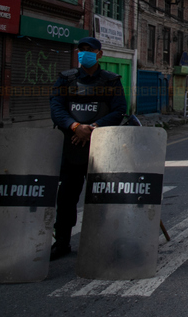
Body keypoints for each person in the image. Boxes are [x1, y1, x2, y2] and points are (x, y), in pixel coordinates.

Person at [49, 36, 127, 260]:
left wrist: (93, 128)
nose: (84, 53)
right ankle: (62, 242)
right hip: (72, 147)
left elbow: (119, 110)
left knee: (102, 198)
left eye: (90, 50)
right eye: (81, 49)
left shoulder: (111, 80)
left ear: (99, 54)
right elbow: (56, 108)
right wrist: (74, 127)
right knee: (65, 199)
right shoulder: (66, 79)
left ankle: (102, 241)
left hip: (101, 147)